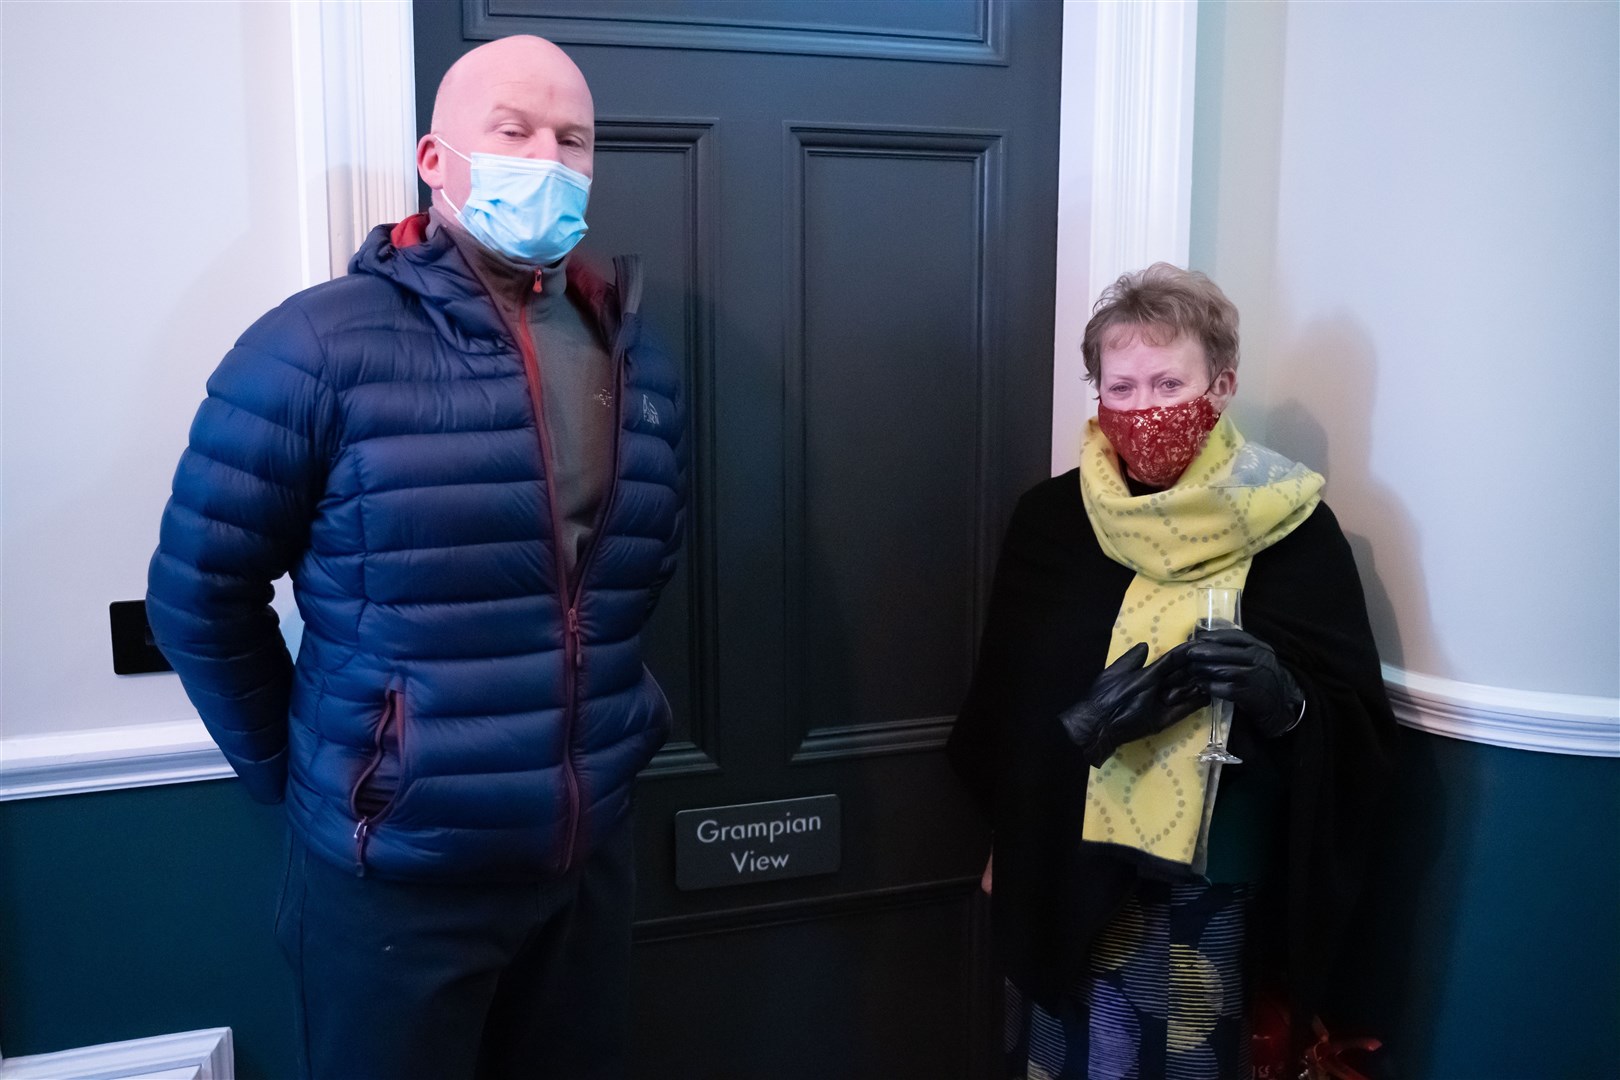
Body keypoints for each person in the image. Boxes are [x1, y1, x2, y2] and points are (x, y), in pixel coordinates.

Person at [146, 35, 685, 1080]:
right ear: (435, 159)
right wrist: (309, 778)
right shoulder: (314, 347)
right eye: (514, 130)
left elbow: (636, 573)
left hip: (583, 864)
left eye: (572, 139)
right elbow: (197, 594)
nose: (548, 157)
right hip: (392, 883)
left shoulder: (635, 351)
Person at [947, 264, 1394, 1078]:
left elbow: (1354, 726)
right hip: (1065, 862)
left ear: (1220, 387)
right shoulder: (1050, 521)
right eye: (1120, 386)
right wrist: (1068, 744)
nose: (1144, 407)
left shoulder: (1292, 526)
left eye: (1168, 381)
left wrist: (1285, 702)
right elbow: (1005, 711)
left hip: (1218, 884)